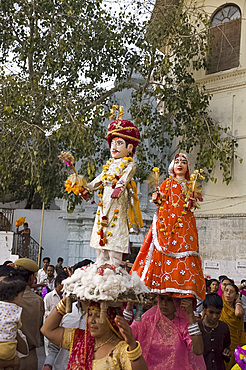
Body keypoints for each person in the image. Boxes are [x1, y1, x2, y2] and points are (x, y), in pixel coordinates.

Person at [131, 153, 206, 300]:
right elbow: (159, 199)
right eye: (177, 161)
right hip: (166, 225)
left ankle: (184, 287)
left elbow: (195, 201)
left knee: (186, 252)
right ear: (173, 166)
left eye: (183, 162)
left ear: (187, 168)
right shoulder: (167, 183)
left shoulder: (191, 185)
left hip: (184, 225)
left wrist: (193, 199)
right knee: (157, 253)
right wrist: (156, 198)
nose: (180, 164)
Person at [79, 108, 143, 268]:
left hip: (118, 200)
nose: (114, 146)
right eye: (113, 142)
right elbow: (100, 179)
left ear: (130, 148)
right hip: (105, 200)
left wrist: (119, 188)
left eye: (119, 143)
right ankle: (101, 261)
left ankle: (114, 263)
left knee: (115, 228)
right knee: (101, 228)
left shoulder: (129, 163)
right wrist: (87, 188)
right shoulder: (109, 165)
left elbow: (125, 177)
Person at [41, 299, 148, 370]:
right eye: (90, 314)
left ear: (111, 320)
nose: (91, 320)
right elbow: (47, 330)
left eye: (97, 316)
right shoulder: (79, 339)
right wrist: (65, 302)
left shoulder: (120, 349)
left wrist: (132, 345)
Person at [130, 295, 206, 369]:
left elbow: (198, 350)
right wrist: (127, 307)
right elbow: (127, 336)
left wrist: (190, 314)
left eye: (169, 300)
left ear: (177, 303)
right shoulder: (146, 321)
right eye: (162, 299)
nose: (164, 303)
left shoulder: (183, 325)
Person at [14, 258, 45, 370]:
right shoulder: (38, 300)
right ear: (32, 278)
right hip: (30, 356)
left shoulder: (6, 298)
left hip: (9, 355)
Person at [0, 275, 28, 368]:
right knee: (11, 364)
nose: (22, 299)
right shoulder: (15, 310)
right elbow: (17, 326)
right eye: (21, 296)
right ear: (14, 296)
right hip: (8, 350)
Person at [198, 293, 231, 369]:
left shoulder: (224, 327)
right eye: (211, 312)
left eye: (218, 313)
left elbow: (226, 346)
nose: (215, 316)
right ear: (204, 309)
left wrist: (226, 352)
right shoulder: (197, 327)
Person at [220, 282, 245, 369]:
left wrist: (238, 301)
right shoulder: (219, 306)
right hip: (220, 342)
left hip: (233, 342)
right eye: (226, 290)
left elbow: (238, 313)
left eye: (231, 292)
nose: (228, 293)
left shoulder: (237, 308)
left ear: (236, 295)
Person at [42, 276, 64, 369]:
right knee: (50, 351)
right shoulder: (49, 296)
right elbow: (45, 311)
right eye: (62, 285)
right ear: (58, 284)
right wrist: (55, 315)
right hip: (50, 327)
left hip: (62, 327)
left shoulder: (66, 296)